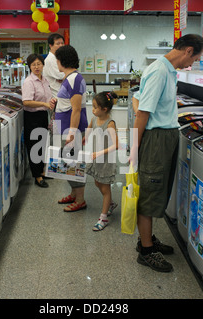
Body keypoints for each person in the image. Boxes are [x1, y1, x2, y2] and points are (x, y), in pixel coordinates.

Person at [130, 34, 203, 272]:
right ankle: (146, 249)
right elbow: (143, 113)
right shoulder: (160, 71)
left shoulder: (168, 71)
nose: (192, 64)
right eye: (195, 58)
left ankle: (148, 238)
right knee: (150, 192)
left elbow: (137, 99)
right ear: (188, 51)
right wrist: (134, 148)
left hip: (165, 137)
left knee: (158, 189)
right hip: (156, 139)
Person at [53, 45, 88, 212]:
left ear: (61, 61)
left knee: (73, 163)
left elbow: (76, 109)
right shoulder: (70, 78)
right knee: (68, 162)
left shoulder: (74, 79)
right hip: (66, 128)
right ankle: (74, 193)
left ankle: (80, 199)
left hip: (71, 130)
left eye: (57, 60)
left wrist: (72, 133)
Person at [83, 91, 119, 231]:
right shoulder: (94, 119)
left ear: (104, 109)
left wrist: (99, 153)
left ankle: (103, 217)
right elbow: (89, 130)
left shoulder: (110, 124)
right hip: (95, 158)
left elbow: (116, 145)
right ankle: (109, 204)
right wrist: (83, 139)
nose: (93, 110)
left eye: (95, 107)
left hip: (105, 160)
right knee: (98, 182)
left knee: (105, 188)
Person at [22, 53, 55, 188]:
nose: (36, 67)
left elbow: (46, 97)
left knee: (42, 145)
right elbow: (26, 102)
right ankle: (37, 176)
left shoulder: (44, 80)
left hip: (42, 115)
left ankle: (42, 170)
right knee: (34, 146)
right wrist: (45, 105)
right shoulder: (29, 82)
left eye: (39, 64)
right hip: (32, 118)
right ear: (29, 66)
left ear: (43, 65)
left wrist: (51, 101)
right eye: (33, 64)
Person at [43, 33, 65, 98]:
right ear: (50, 45)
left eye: (62, 43)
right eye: (58, 44)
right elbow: (61, 76)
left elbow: (64, 76)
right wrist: (64, 76)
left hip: (61, 94)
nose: (61, 45)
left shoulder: (58, 58)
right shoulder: (50, 59)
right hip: (56, 96)